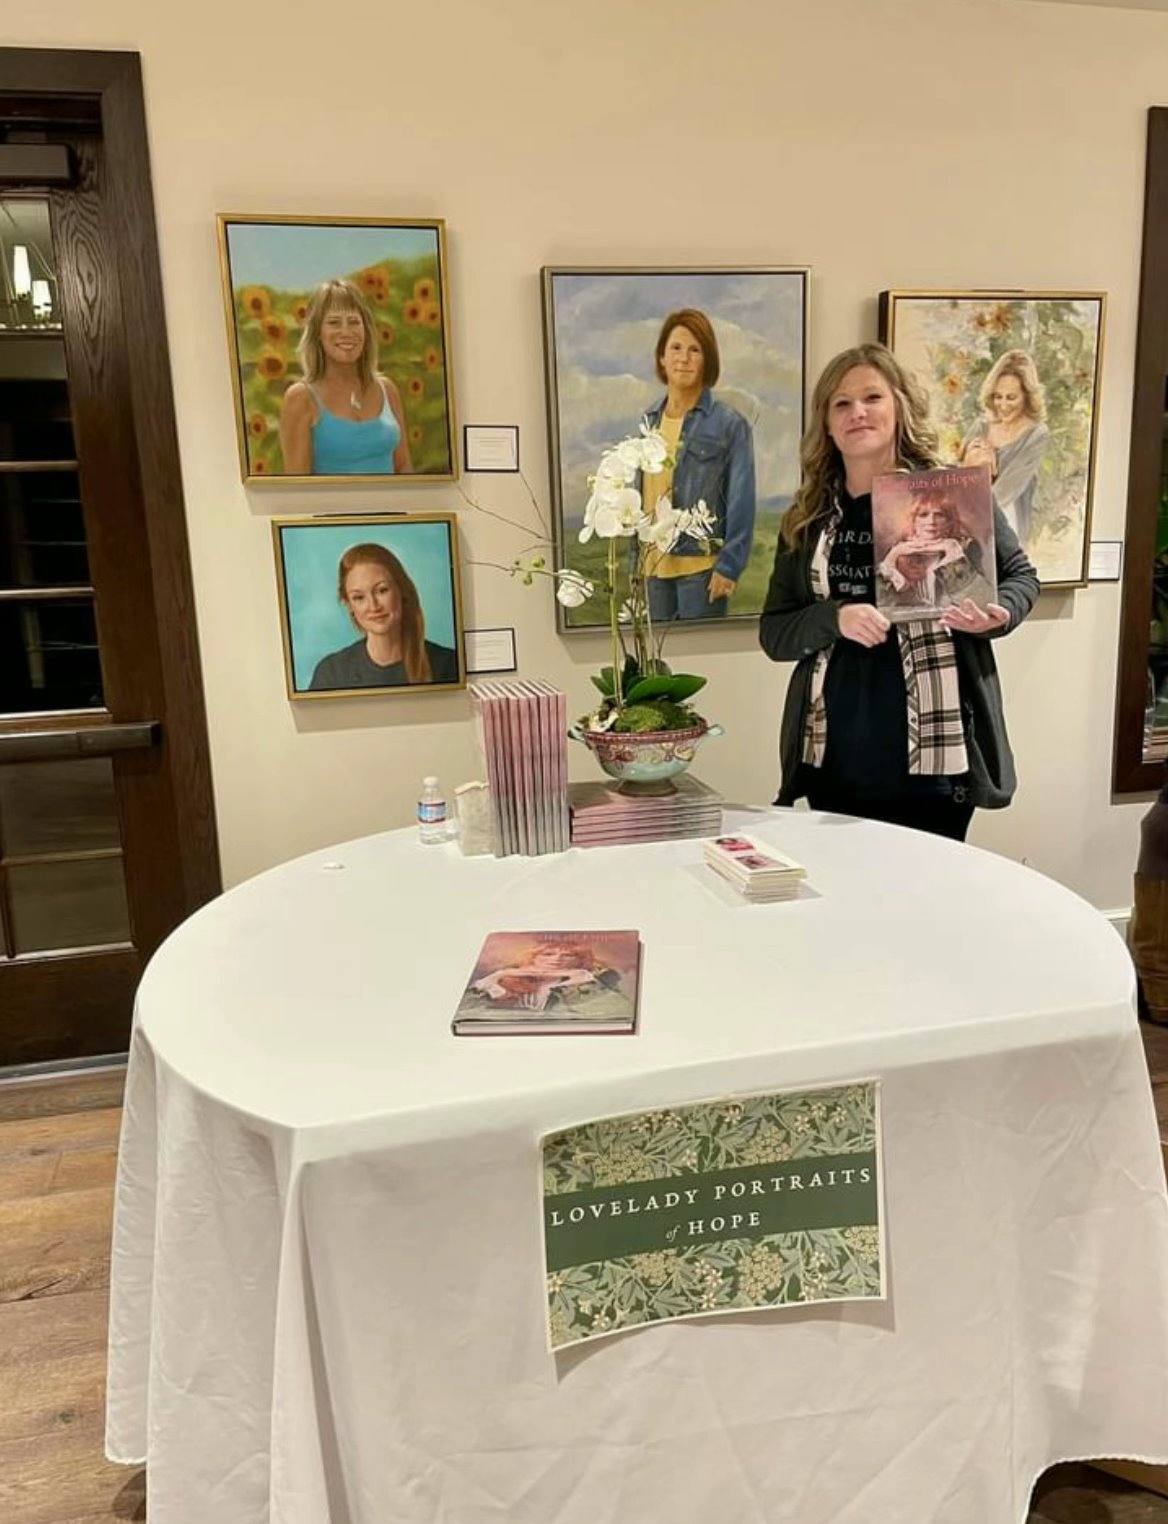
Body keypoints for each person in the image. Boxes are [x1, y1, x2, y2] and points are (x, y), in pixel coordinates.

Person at [759, 342, 1039, 842]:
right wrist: (835, 617)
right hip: (836, 752)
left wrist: (999, 613)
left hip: (935, 755)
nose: (858, 412)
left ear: (899, 408)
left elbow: (1020, 576)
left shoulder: (950, 492)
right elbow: (775, 632)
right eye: (842, 403)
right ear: (827, 424)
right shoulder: (807, 519)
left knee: (930, 887)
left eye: (872, 397)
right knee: (843, 885)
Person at [638, 308, 756, 620]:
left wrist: (729, 567)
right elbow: (641, 496)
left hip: (702, 573)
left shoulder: (730, 425)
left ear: (708, 360)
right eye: (676, 348)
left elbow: (741, 501)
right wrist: (635, 562)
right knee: (655, 654)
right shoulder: (649, 421)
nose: (684, 358)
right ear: (662, 358)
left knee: (701, 653)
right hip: (652, 571)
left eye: (695, 350)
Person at [279, 279, 412, 476]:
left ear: (366, 329)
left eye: (354, 322)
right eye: (334, 323)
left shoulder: (387, 390)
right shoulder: (301, 398)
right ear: (317, 333)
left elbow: (404, 467)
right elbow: (296, 486)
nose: (346, 332)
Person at [308, 542, 458, 691]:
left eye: (382, 590)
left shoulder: (447, 664)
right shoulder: (331, 673)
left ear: (402, 591)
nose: (373, 606)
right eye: (359, 597)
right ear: (349, 606)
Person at [960, 349, 1049, 546]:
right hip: (970, 518)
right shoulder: (981, 426)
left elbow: (1007, 489)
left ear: (1027, 396)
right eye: (998, 396)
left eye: (1011, 397)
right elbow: (958, 477)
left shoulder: (1036, 434)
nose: (1003, 405)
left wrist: (969, 520)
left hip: (1006, 523)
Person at [876, 487, 994, 616]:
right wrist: (891, 560)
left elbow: (983, 603)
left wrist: (953, 560)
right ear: (913, 521)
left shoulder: (965, 549)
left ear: (949, 522)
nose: (931, 521)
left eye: (939, 515)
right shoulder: (897, 552)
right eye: (923, 515)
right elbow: (884, 610)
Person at [471, 941, 607, 1012]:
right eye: (548, 954)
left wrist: (580, 978)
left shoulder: (588, 979)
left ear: (580, 961)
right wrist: (500, 974)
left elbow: (594, 1009)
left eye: (568, 955)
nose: (557, 959)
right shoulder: (510, 976)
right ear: (533, 958)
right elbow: (473, 1007)